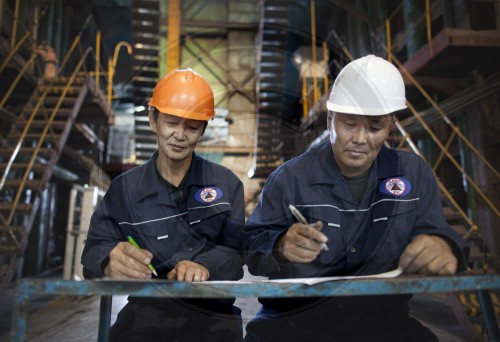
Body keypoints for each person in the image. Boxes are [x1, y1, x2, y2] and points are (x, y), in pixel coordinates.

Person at [242, 55, 469, 341]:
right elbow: (251, 248)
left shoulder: (414, 175)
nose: (361, 139)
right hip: (293, 325)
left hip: (382, 323)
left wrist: (441, 245)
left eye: (375, 127)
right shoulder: (289, 178)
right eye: (349, 124)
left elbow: (438, 233)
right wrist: (280, 246)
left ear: (391, 126)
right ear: (330, 119)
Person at [81, 69, 246, 341]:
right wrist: (109, 261)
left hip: (214, 321)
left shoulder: (226, 185)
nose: (180, 135)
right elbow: (95, 248)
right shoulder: (124, 190)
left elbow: (237, 248)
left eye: (192, 126)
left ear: (203, 130)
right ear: (152, 119)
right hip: (145, 319)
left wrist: (204, 266)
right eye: (171, 122)